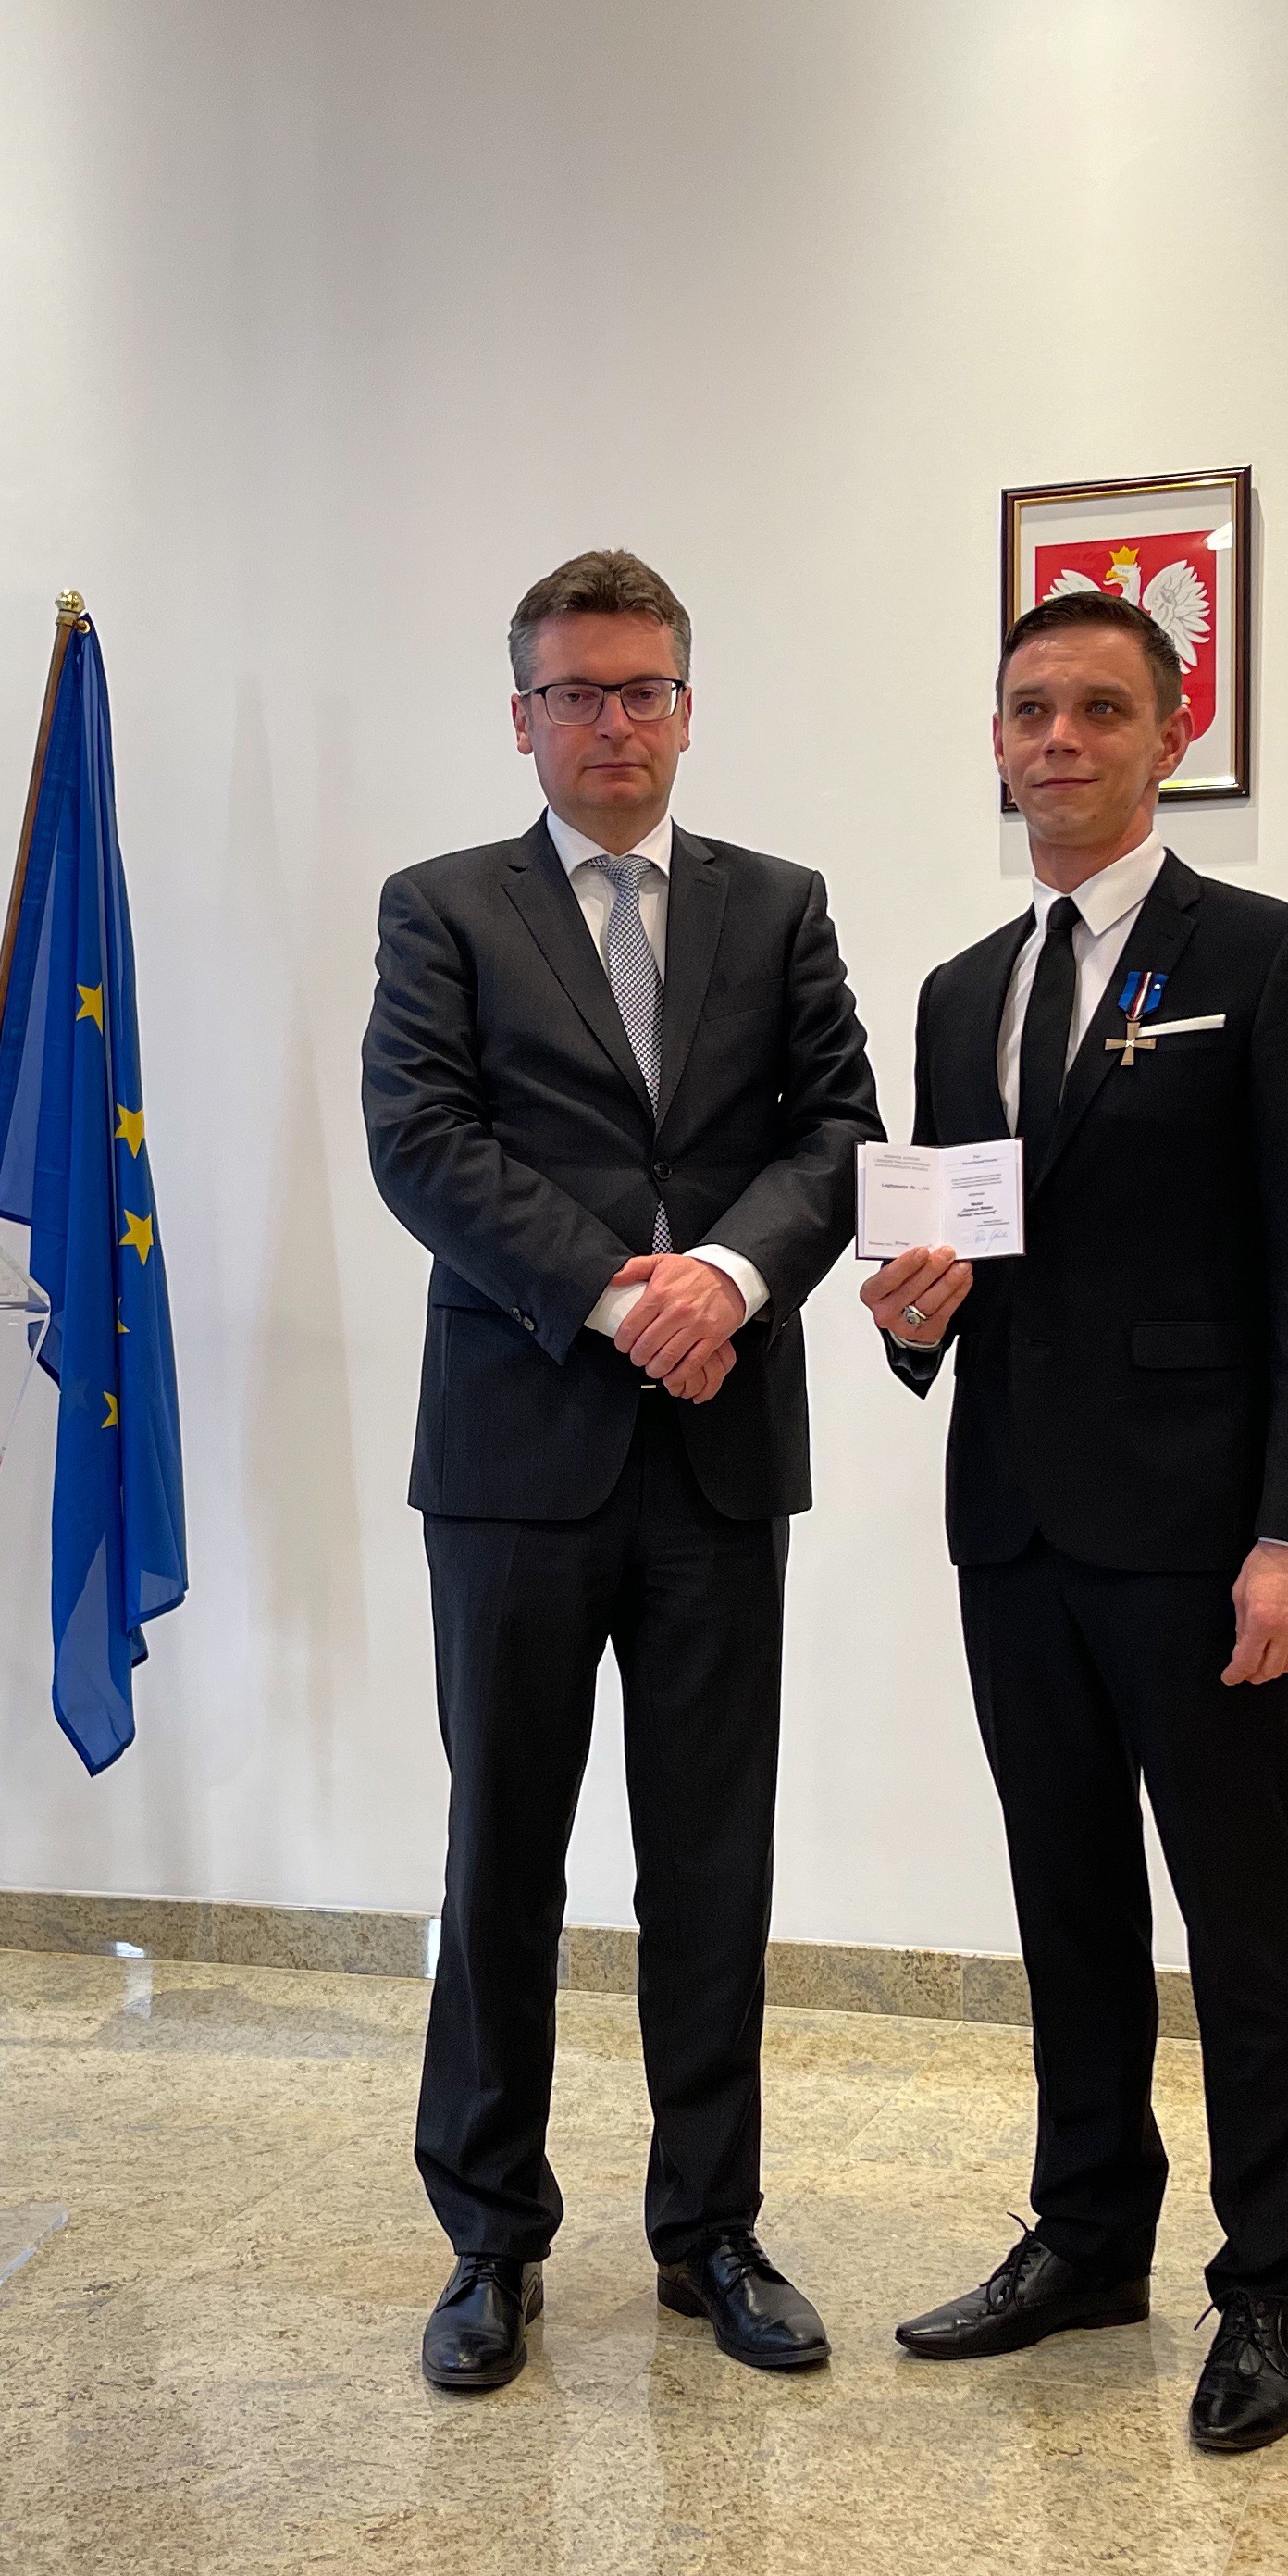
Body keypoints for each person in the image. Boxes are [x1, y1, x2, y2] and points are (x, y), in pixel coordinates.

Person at [858, 587, 1288, 2454]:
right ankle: (1088, 2236)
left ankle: (1270, 2285)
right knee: (1065, 1899)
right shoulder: (958, 993)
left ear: (1172, 733)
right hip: (1013, 1521)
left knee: (1239, 1917)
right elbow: (960, 1254)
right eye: (1030, 711)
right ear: (995, 744)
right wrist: (912, 1321)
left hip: (1199, 1536)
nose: (1060, 739)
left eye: (1098, 708)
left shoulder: (1271, 953)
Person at [362, 550, 884, 2393]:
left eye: (643, 688)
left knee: (710, 1862)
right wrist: (615, 1297)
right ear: (522, 717)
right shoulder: (444, 908)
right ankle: (490, 2243)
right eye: (576, 692)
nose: (612, 721)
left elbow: (840, 1130)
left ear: (687, 707)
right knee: (501, 1856)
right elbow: (421, 1141)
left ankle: (711, 2230)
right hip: (516, 1455)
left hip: (719, 1453)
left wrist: (726, 1279)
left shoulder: (778, 905)